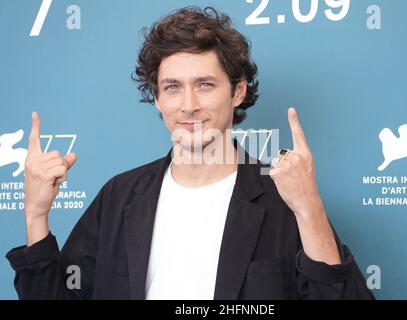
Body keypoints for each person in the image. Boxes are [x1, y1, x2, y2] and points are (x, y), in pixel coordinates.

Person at [6, 6, 374, 300]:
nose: (189, 105)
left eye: (205, 84)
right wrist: (37, 215)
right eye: (172, 87)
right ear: (157, 99)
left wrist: (309, 208)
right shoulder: (119, 196)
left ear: (238, 92)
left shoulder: (285, 197)